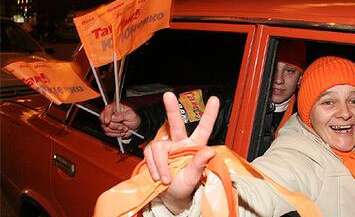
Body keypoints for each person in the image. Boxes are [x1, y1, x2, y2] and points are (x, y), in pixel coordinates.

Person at [141, 56, 355, 217]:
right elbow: (249, 199)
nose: (345, 112)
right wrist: (181, 201)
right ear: (308, 113)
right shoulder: (299, 157)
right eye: (328, 102)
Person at [100, 40, 306, 150]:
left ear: (300, 77)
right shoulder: (228, 99)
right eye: (272, 70)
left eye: (289, 71)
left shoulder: (309, 114)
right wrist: (139, 120)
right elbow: (177, 113)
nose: (278, 80)